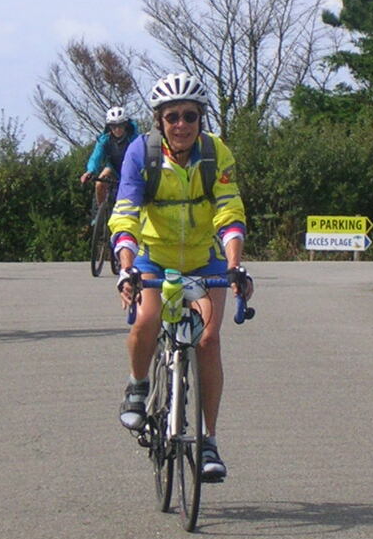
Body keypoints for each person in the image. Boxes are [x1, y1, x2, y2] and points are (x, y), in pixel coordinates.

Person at [110, 72, 252, 481]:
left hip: (204, 259)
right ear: (159, 120)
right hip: (155, 258)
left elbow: (229, 210)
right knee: (146, 320)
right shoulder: (142, 152)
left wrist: (234, 265)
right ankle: (138, 385)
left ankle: (208, 440)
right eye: (172, 116)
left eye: (190, 116)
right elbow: (126, 212)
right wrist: (127, 268)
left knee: (208, 339)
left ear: (200, 118)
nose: (182, 124)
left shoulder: (215, 153)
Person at [79, 105, 139, 213]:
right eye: (113, 126)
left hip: (132, 169)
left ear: (126, 125)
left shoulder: (135, 139)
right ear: (109, 126)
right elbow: (95, 157)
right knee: (99, 184)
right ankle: (100, 214)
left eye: (120, 125)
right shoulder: (104, 140)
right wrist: (90, 171)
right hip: (113, 168)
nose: (117, 129)